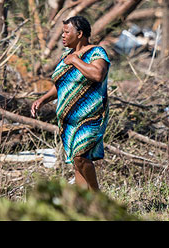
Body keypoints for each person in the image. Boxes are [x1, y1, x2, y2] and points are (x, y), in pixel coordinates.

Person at [31, 16, 110, 191]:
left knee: (81, 157)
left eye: (67, 32)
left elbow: (98, 75)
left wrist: (75, 60)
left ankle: (98, 199)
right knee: (76, 161)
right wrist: (42, 99)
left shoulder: (96, 53)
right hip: (68, 120)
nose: (63, 36)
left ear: (80, 33)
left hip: (91, 116)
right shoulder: (65, 56)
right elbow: (62, 84)